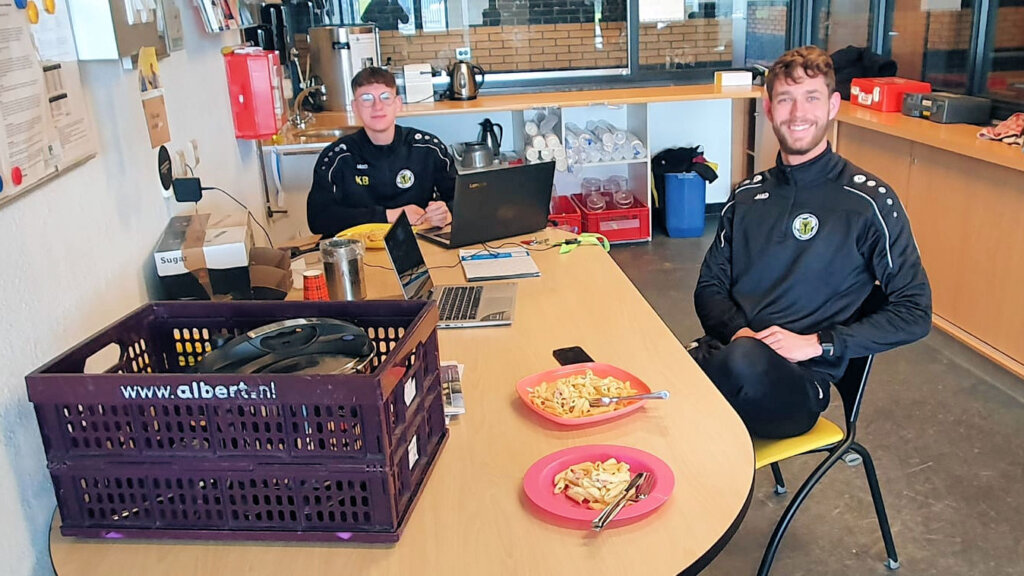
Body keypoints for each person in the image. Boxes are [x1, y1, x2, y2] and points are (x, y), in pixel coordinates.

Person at [690, 46, 932, 439]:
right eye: (786, 99)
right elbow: (709, 288)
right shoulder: (746, 197)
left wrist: (820, 343)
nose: (798, 113)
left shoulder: (868, 201)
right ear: (769, 110)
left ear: (833, 106)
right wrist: (739, 333)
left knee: (723, 375)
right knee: (656, 369)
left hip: (799, 384)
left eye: (812, 98)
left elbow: (914, 312)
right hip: (732, 354)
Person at [307, 67, 456, 238]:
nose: (377, 106)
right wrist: (389, 215)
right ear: (355, 107)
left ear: (398, 104)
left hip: (419, 244)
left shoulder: (428, 148)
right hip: (359, 247)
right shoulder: (338, 157)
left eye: (385, 97)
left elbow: (463, 199)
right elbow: (318, 219)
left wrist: (447, 213)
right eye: (366, 99)